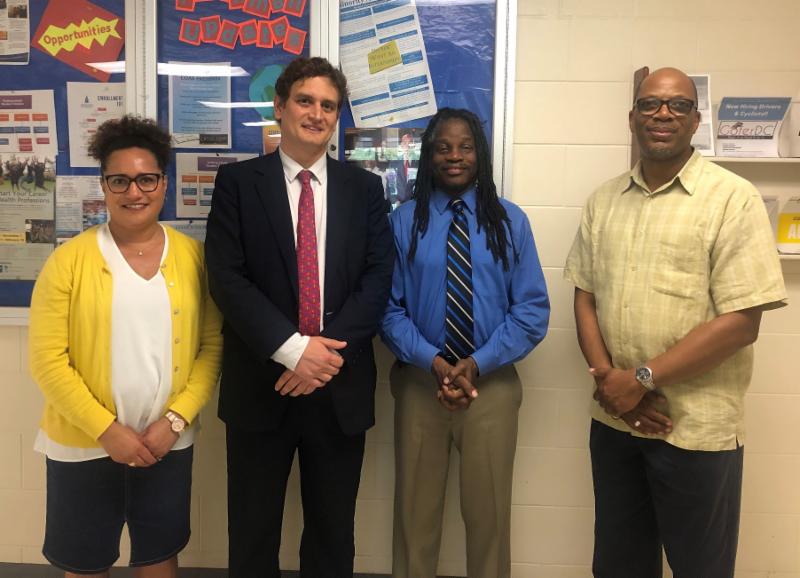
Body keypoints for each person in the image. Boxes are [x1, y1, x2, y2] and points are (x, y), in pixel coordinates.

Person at [564, 67, 788, 578]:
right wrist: (612, 386)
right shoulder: (603, 201)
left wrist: (640, 381)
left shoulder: (732, 198)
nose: (662, 114)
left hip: (695, 432)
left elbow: (742, 321)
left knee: (700, 567)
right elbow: (585, 297)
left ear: (695, 120)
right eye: (650, 104)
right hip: (616, 422)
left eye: (678, 105)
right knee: (618, 565)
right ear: (632, 118)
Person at [205, 56, 394, 578]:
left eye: (328, 106)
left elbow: (378, 278)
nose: (316, 114)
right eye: (305, 101)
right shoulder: (238, 183)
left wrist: (322, 357)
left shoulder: (364, 189)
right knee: (252, 533)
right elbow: (226, 278)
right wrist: (294, 351)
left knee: (333, 535)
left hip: (337, 387)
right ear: (280, 107)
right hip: (262, 385)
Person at [28, 115, 223, 578]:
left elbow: (211, 347)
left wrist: (175, 421)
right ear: (104, 185)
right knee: (85, 564)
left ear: (163, 183)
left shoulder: (194, 258)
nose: (134, 192)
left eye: (146, 179)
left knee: (158, 557)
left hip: (165, 442)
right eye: (120, 180)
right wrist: (106, 430)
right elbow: (48, 361)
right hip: (85, 445)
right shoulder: (68, 261)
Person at [380, 108, 550, 578]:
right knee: (414, 519)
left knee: (489, 518)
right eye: (443, 147)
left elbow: (532, 310)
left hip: (490, 386)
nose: (454, 156)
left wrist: (476, 362)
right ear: (428, 156)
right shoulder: (404, 221)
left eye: (465, 146)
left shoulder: (509, 222)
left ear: (480, 154)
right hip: (420, 385)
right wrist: (433, 360)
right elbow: (388, 310)